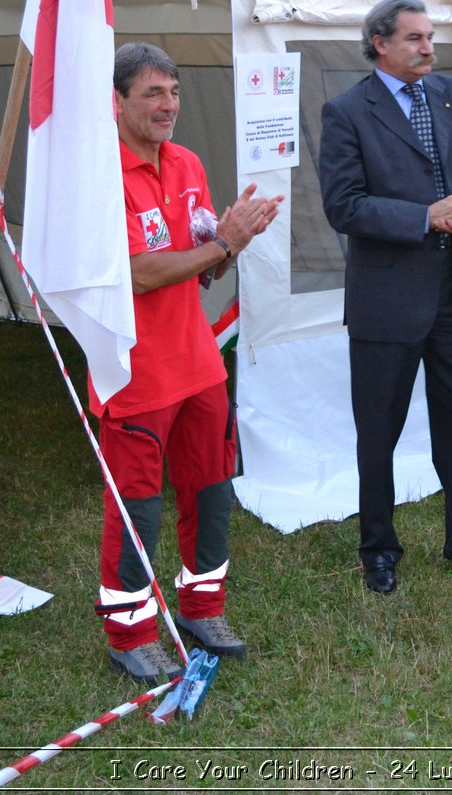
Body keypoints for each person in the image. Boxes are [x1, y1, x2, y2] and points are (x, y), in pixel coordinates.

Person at [93, 42, 282, 681]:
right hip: (136, 374)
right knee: (137, 507)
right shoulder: (100, 176)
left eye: (173, 92)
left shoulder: (189, 163)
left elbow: (201, 267)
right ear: (116, 101)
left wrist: (232, 239)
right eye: (152, 93)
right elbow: (140, 273)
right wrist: (222, 243)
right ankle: (130, 630)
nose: (168, 104)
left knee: (212, 494)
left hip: (199, 365)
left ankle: (204, 607)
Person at [317, 0, 452, 594]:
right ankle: (378, 549)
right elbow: (343, 205)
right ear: (380, 43)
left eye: (430, 37)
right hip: (388, 302)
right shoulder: (347, 111)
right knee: (379, 431)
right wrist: (425, 217)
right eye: (415, 38)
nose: (429, 47)